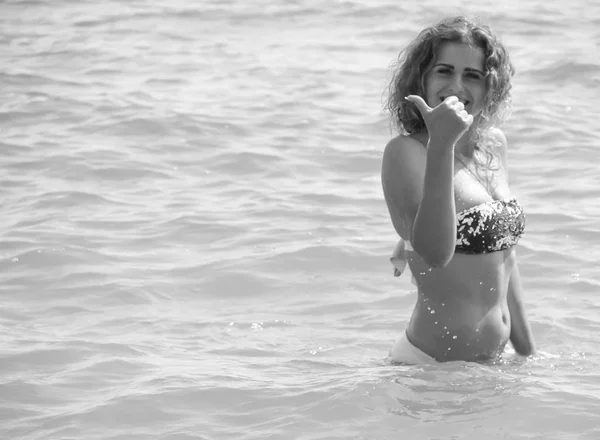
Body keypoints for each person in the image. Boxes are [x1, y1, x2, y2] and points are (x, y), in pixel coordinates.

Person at [381, 16, 536, 363]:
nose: (457, 86)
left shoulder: (493, 145)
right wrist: (442, 144)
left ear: (490, 87)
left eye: (472, 75)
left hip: (492, 366)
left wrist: (527, 354)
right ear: (420, 80)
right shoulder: (405, 153)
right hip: (428, 371)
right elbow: (436, 254)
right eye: (444, 71)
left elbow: (505, 257)